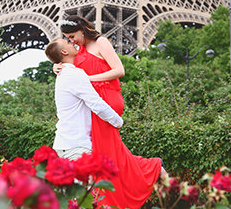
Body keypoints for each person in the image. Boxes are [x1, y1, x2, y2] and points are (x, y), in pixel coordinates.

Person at [58, 15, 167, 209]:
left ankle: (150, 170)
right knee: (107, 151)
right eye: (67, 38)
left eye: (72, 35)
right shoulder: (79, 50)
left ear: (82, 29)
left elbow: (119, 70)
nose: (71, 40)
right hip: (94, 101)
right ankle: (150, 170)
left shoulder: (101, 42)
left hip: (106, 98)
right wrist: (56, 66)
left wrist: (88, 80)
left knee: (106, 151)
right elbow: (68, 64)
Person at [45, 38, 124, 161]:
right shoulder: (73, 74)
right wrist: (118, 121)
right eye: (68, 42)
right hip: (76, 146)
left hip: (68, 143)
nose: (72, 42)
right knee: (86, 179)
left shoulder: (66, 73)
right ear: (64, 52)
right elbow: (96, 103)